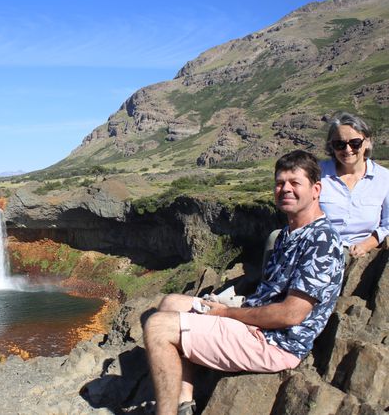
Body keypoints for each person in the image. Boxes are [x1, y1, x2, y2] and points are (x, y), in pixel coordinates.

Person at [143, 150, 344, 415]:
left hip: (274, 342)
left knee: (157, 327)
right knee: (170, 302)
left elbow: (291, 314)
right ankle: (184, 402)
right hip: (255, 324)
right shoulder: (288, 233)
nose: (285, 189)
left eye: (295, 183)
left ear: (316, 189)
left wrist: (227, 314)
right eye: (280, 183)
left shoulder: (322, 241)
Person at [320, 112, 389, 257]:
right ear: (331, 146)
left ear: (367, 142)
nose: (347, 149)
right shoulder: (317, 173)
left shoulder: (384, 179)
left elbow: (388, 224)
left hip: (353, 250)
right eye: (339, 144)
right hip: (318, 244)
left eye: (355, 143)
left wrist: (367, 244)